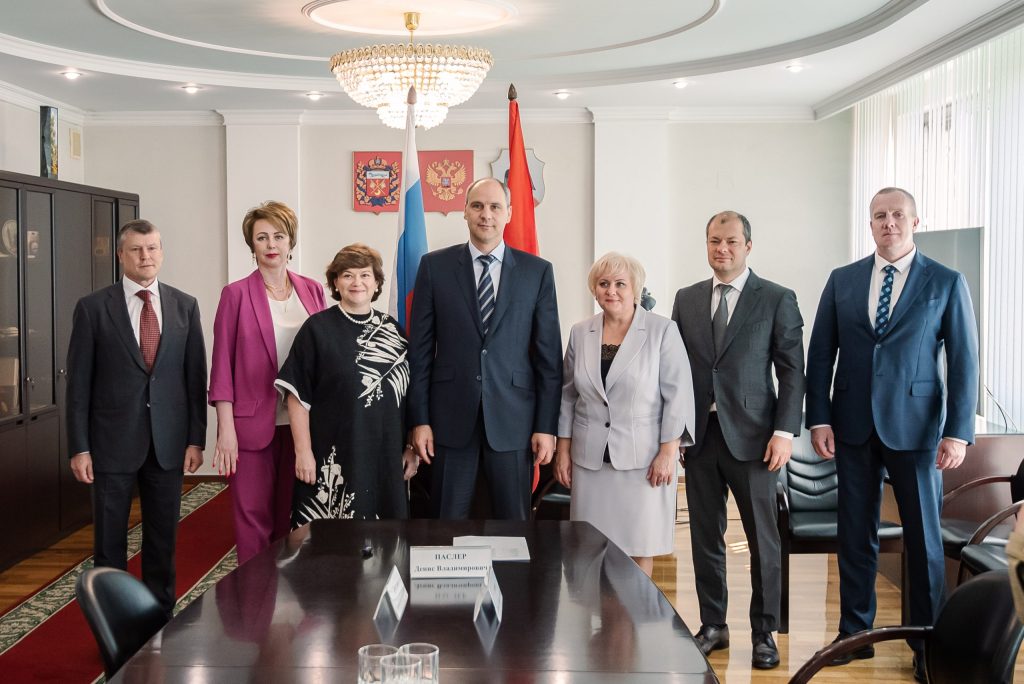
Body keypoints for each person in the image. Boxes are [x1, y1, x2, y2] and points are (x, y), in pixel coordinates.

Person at [806, 187, 979, 682]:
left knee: (923, 541)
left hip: (918, 430)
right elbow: (821, 354)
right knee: (854, 534)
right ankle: (854, 634)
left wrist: (958, 432)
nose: (889, 223)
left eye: (898, 214)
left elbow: (964, 362)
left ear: (915, 221)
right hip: (852, 426)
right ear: (870, 224)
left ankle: (926, 643)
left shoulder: (945, 281)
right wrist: (819, 418)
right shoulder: (842, 280)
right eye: (880, 215)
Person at [671, 211, 805, 669]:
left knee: (763, 540)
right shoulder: (687, 298)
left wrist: (784, 432)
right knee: (705, 537)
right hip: (700, 439)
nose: (721, 249)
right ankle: (714, 624)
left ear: (748, 245)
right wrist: (676, 432)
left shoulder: (776, 298)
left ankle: (764, 632)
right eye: (714, 240)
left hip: (756, 440)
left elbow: (792, 371)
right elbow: (676, 371)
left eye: (730, 241)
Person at [67, 219, 207, 620]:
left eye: (152, 248)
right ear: (120, 255)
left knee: (163, 538)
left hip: (168, 443)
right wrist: (79, 447)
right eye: (136, 249)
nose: (146, 256)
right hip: (110, 444)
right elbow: (78, 385)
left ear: (161, 252)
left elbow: (195, 379)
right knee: (109, 543)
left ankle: (160, 619)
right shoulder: (93, 308)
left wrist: (196, 439)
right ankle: (113, 622)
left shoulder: (185, 305)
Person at [407, 177, 562, 520]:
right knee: (446, 526)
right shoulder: (434, 267)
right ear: (464, 211)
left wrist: (546, 425)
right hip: (449, 420)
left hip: (514, 421)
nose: (486, 214)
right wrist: (420, 420)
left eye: (494, 207)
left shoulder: (537, 272)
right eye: (477, 206)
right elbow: (419, 354)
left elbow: (549, 359)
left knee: (514, 527)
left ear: (509, 213)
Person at [554, 253, 695, 576]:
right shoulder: (580, 332)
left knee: (638, 546)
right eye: (603, 284)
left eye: (620, 284)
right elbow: (567, 395)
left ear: (635, 289)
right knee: (588, 549)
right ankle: (596, 611)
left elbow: (678, 396)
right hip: (589, 462)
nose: (611, 291)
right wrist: (563, 450)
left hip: (643, 462)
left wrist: (668, 452)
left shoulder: (662, 331)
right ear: (594, 289)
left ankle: (634, 610)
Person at [208, 201, 326, 564]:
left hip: (303, 425)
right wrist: (225, 430)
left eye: (278, 236)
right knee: (252, 519)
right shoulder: (236, 294)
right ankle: (254, 594)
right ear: (252, 245)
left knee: (289, 517)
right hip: (251, 425)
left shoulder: (313, 290)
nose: (271, 244)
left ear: (291, 242)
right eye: (262, 237)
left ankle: (282, 592)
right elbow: (221, 367)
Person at [276, 243, 415, 525]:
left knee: (386, 538)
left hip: (385, 459)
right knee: (327, 542)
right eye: (348, 275)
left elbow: (409, 397)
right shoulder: (316, 329)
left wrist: (411, 448)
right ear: (336, 282)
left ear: (376, 282)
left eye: (365, 275)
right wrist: (303, 452)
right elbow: (297, 397)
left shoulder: (394, 332)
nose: (357, 282)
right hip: (332, 460)